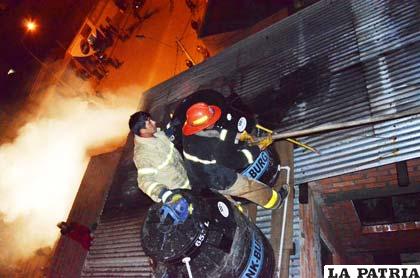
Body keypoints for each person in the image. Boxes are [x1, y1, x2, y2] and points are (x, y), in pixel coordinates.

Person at [182, 102, 288, 210]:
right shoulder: (214, 146)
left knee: (227, 202)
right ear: (206, 124)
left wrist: (238, 136)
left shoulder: (190, 134)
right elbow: (237, 161)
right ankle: (276, 202)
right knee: (252, 189)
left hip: (200, 179)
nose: (214, 121)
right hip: (220, 179)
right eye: (211, 120)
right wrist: (259, 147)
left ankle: (237, 212)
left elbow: (216, 133)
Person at [129, 111, 191, 203]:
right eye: (149, 122)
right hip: (178, 195)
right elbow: (144, 182)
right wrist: (164, 193)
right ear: (142, 131)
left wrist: (173, 129)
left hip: (187, 180)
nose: (154, 122)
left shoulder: (157, 135)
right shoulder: (143, 155)